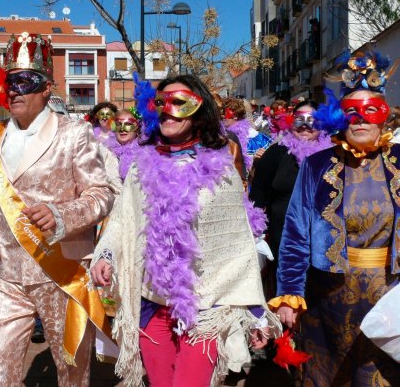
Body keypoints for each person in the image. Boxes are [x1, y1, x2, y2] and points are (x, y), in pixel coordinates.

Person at [91, 74, 281, 387]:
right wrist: (106, 254)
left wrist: (256, 312)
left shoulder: (220, 170)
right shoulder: (141, 165)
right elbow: (123, 220)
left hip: (205, 310)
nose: (168, 110)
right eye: (161, 103)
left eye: (178, 103)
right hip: (151, 303)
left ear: (198, 111)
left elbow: (236, 246)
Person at [0, 32, 115, 387]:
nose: (16, 90)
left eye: (26, 81)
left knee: (71, 369)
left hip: (60, 269)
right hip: (9, 273)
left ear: (45, 88)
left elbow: (102, 194)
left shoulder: (74, 134)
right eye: (10, 82)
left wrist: (62, 215)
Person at [269, 50, 400, 385]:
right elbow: (296, 234)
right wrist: (289, 295)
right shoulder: (318, 165)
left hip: (391, 298)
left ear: (384, 116)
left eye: (371, 110)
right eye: (351, 112)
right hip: (329, 300)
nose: (360, 120)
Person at [249, 100, 332, 296]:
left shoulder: (333, 155)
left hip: (324, 238)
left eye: (312, 120)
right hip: (283, 238)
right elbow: (257, 197)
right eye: (299, 119)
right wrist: (257, 233)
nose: (305, 125)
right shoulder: (276, 153)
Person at [222, 97, 272, 176]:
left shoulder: (256, 139)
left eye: (225, 113)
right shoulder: (221, 136)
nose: (222, 116)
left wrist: (254, 161)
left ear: (235, 115)